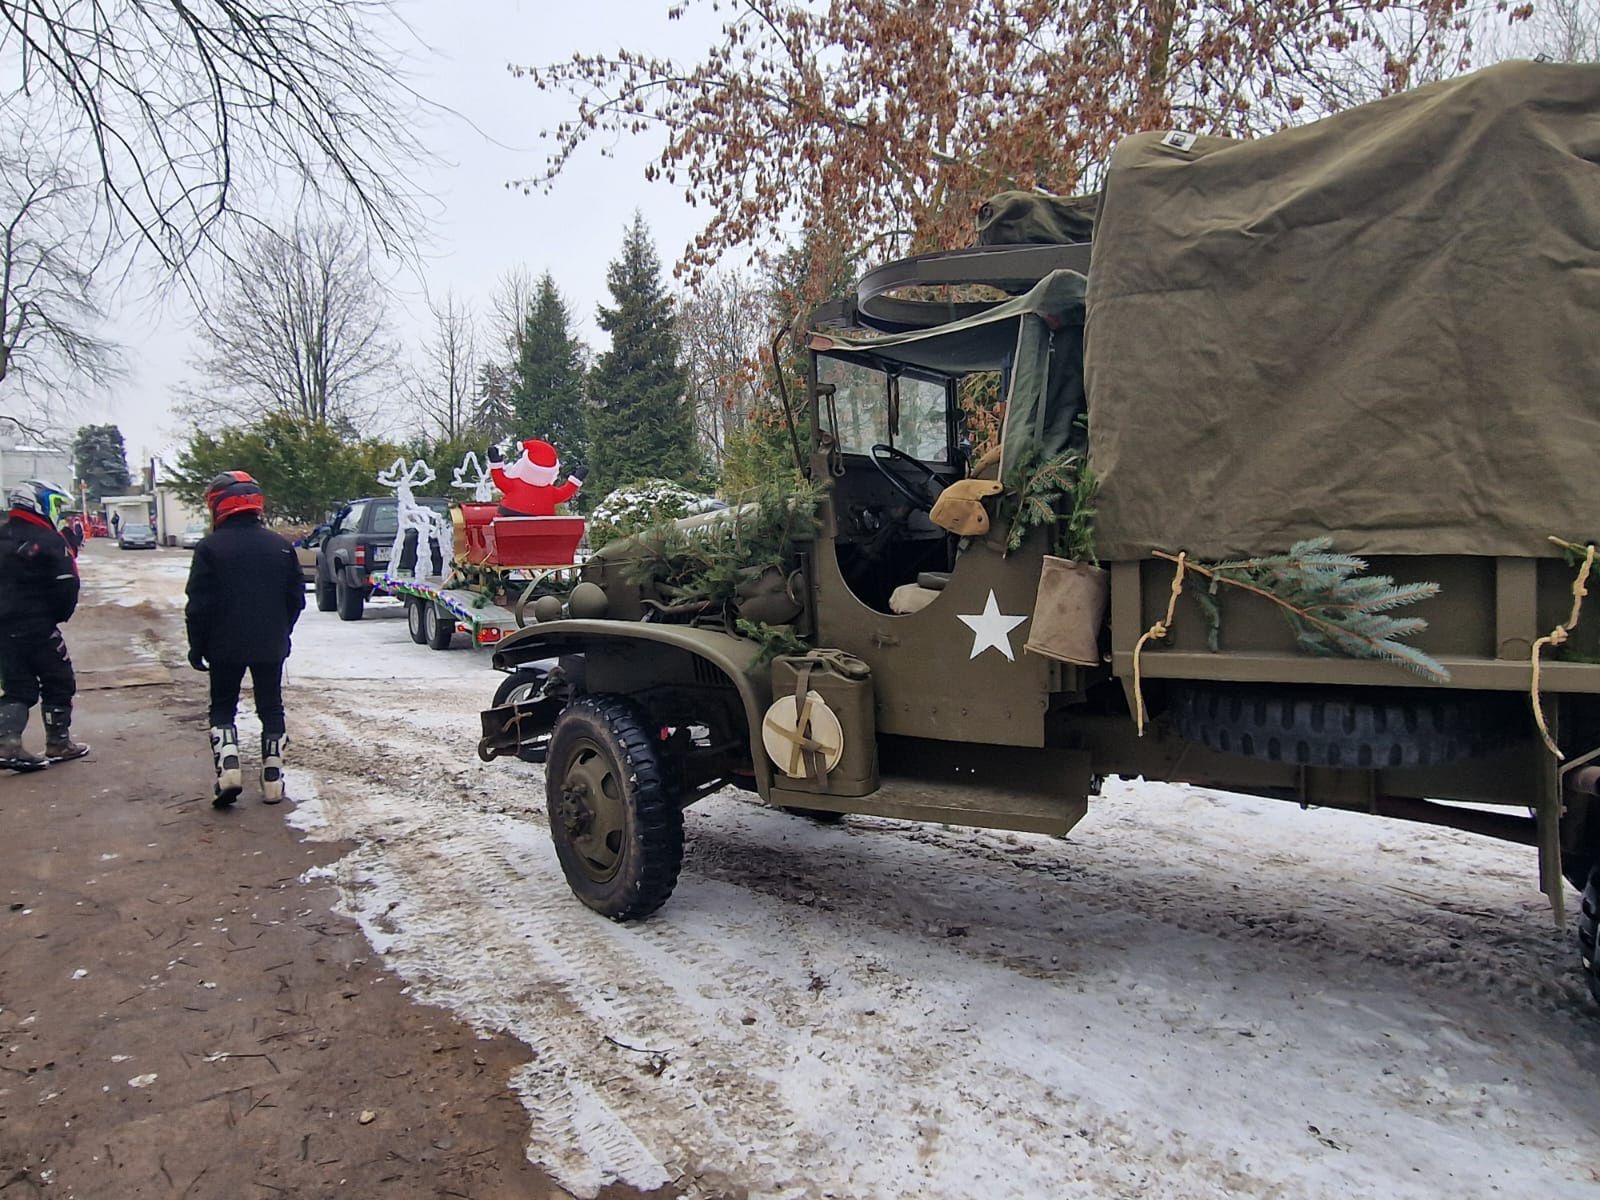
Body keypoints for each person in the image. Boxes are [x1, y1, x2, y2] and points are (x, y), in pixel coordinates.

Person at [184, 472, 304, 807]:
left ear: (219, 505)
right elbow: (296, 598)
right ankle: (272, 779)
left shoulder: (210, 548)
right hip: (270, 641)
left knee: (223, 707)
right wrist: (282, 629)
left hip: (223, 644)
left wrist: (197, 644)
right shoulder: (280, 546)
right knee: (271, 706)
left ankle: (229, 769)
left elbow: (199, 604)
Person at [0, 480, 89, 770]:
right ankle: (58, 742)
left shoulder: (3, 534)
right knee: (59, 680)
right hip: (36, 623)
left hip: (4, 626)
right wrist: (57, 615)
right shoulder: (50, 539)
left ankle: (7, 743)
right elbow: (67, 584)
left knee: (17, 686)